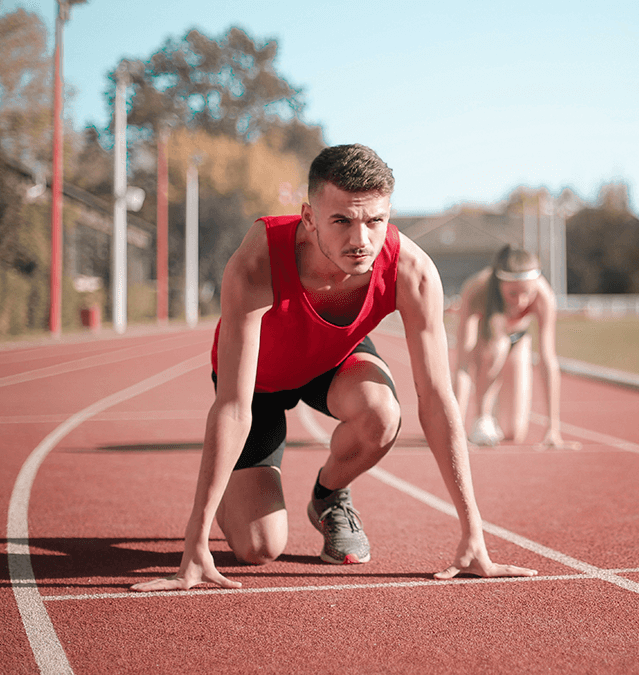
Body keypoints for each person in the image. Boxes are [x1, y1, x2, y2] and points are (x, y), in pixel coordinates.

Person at [132, 144, 536, 592]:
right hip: (259, 383)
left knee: (383, 413)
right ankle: (232, 488)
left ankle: (328, 497)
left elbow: (437, 400)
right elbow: (232, 406)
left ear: (388, 215)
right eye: (341, 220)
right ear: (309, 218)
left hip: (333, 361)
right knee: (259, 549)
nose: (360, 240)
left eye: (374, 221)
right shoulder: (257, 262)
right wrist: (195, 543)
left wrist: (473, 535)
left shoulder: (412, 271)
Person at [452, 245, 579, 449]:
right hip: (486, 343)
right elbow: (463, 364)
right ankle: (482, 418)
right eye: (513, 293)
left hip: (519, 340)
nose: (521, 302)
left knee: (513, 433)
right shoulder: (476, 289)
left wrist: (552, 428)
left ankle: (496, 417)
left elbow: (548, 359)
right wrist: (454, 428)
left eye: (527, 293)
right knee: (498, 347)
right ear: (500, 284)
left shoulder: (543, 296)